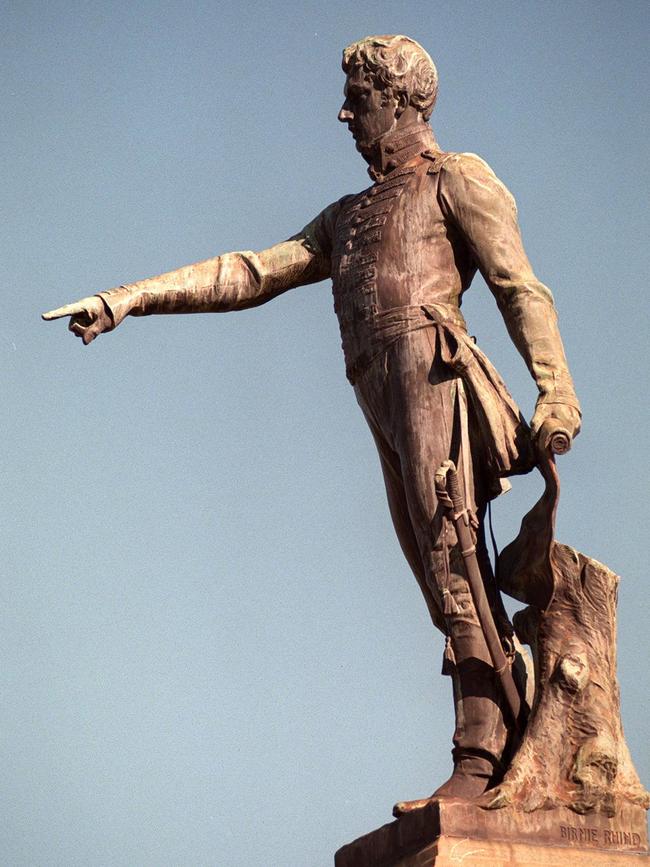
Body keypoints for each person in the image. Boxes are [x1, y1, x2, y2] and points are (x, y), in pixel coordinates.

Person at [43, 34, 581, 808]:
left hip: (433, 373)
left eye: (358, 100)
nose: (344, 113)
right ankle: (505, 730)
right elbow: (250, 271)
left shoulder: (456, 180)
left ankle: (482, 753)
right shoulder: (347, 216)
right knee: (437, 578)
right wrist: (128, 297)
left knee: (453, 557)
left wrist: (555, 390)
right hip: (380, 393)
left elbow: (519, 287)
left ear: (398, 100)